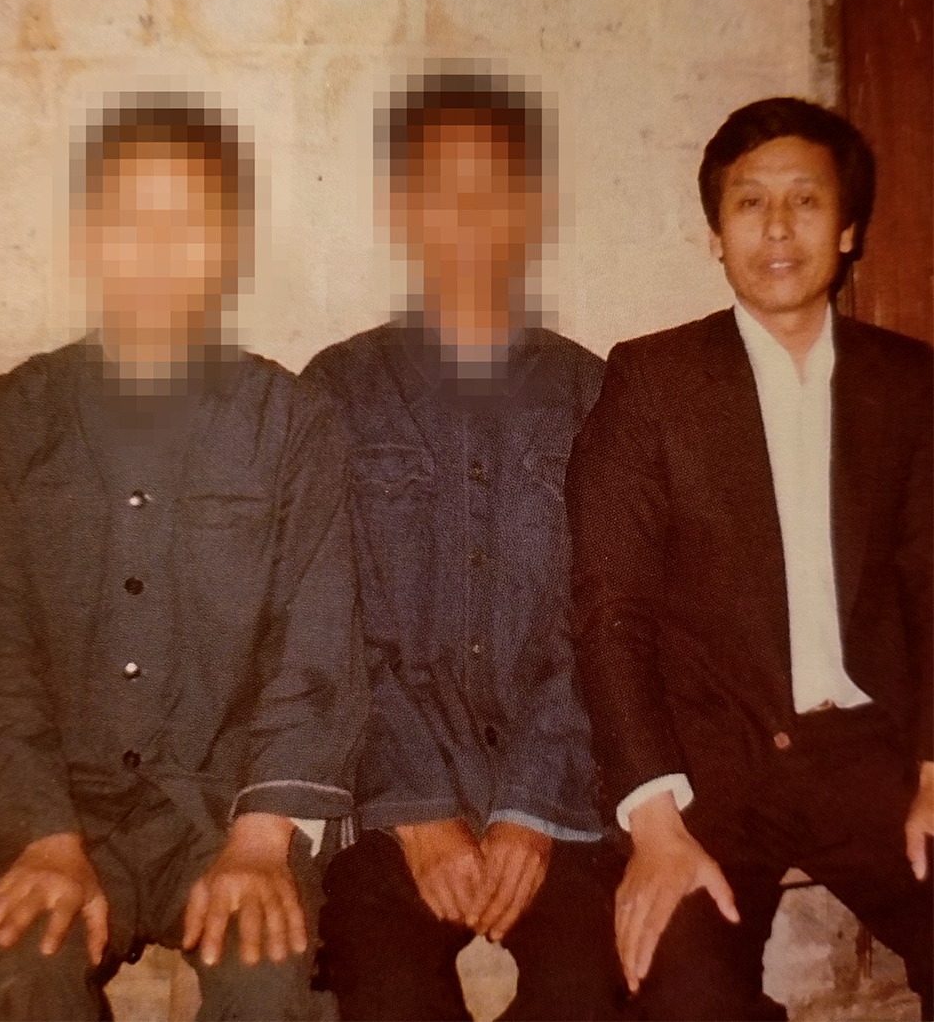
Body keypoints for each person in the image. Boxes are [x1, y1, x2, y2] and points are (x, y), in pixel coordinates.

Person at [0, 92, 367, 1021]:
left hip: (229, 812)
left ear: (228, 249)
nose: (157, 253)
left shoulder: (292, 424)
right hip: (59, 810)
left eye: (189, 224)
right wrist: (42, 837)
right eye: (130, 222)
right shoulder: (8, 424)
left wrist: (263, 839)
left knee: (271, 991)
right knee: (22, 989)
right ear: (88, 239)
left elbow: (317, 657)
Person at [566, 96, 933, 1022]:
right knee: (681, 991)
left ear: (847, 228)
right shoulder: (651, 382)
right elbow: (611, 608)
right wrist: (654, 823)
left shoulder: (910, 383)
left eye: (805, 201)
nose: (777, 227)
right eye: (748, 203)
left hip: (876, 761)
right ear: (715, 236)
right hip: (708, 774)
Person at [304, 69, 622, 1021]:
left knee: (589, 992)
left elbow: (603, 623)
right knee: (384, 991)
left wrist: (531, 813)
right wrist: (417, 813)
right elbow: (330, 624)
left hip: (560, 802)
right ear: (404, 213)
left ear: (530, 212)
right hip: (395, 809)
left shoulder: (595, 392)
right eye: (442, 191)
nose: (469, 218)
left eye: (495, 190)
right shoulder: (339, 388)